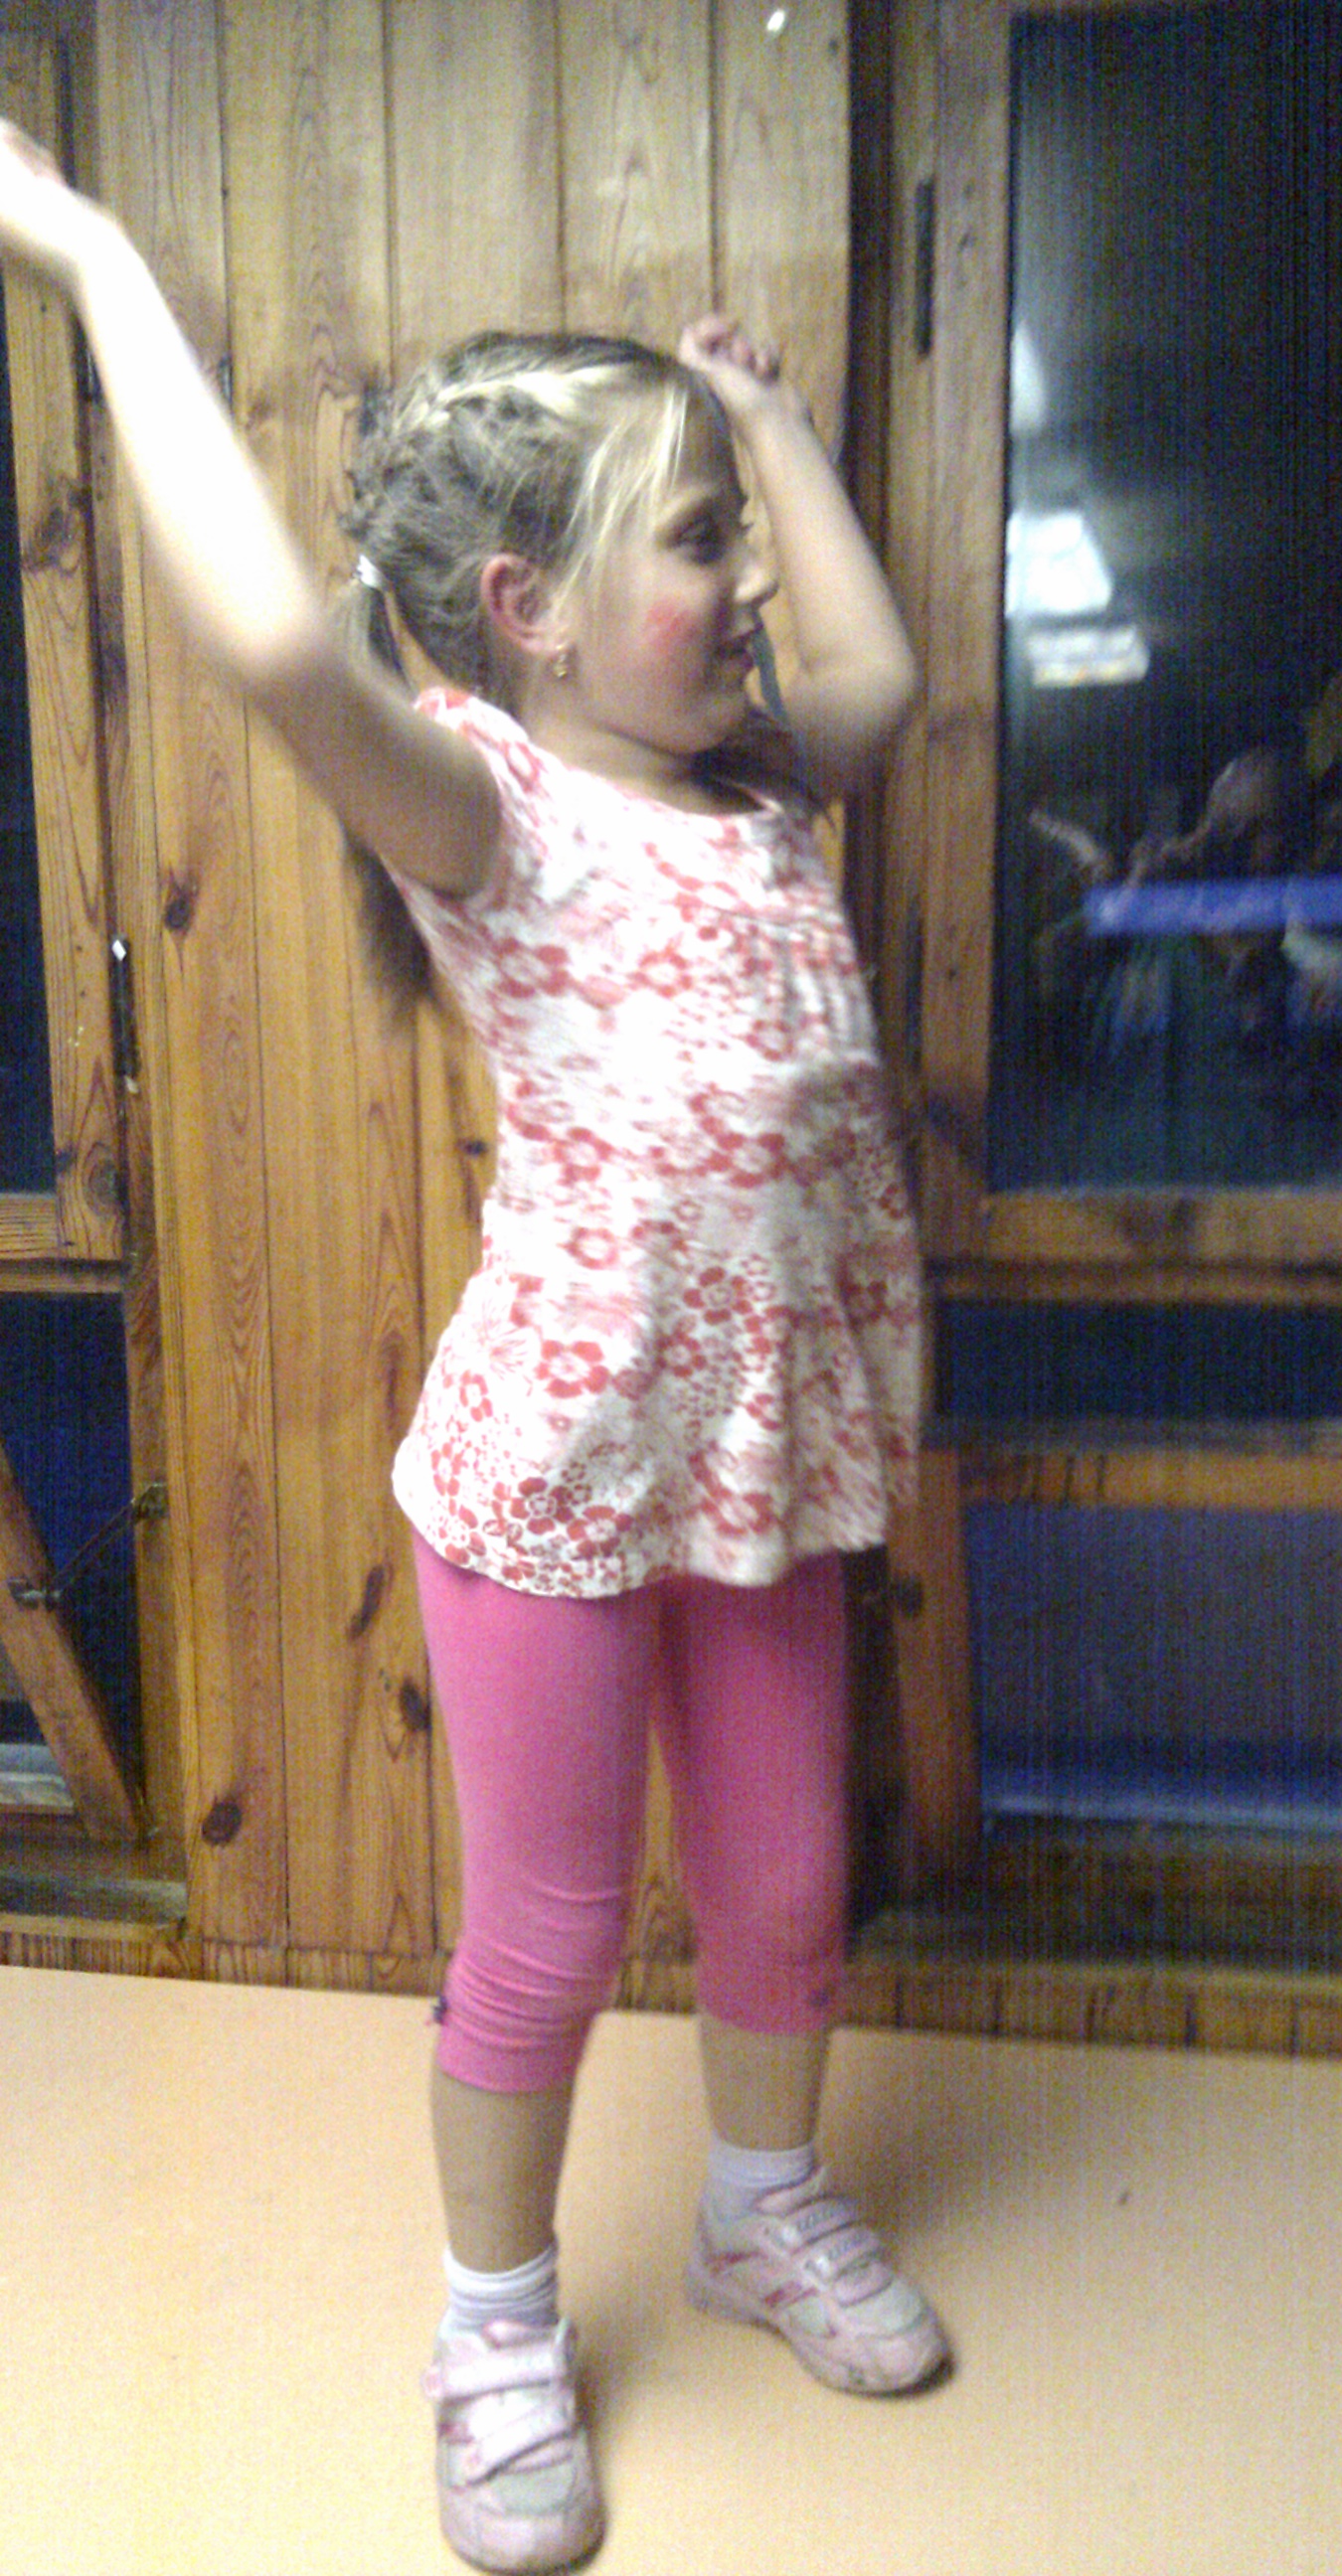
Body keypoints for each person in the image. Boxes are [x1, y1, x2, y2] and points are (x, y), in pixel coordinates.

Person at [0, 123, 946, 2575]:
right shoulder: (486, 817)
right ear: (524, 610)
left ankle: (757, 2206)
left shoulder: (761, 787)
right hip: (553, 1468)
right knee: (544, 1925)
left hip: (763, 1456)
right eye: (700, 539)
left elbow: (881, 673)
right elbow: (274, 648)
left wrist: (774, 429)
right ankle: (497, 2324)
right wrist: (87, 256)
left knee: (784, 1882)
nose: (749, 586)